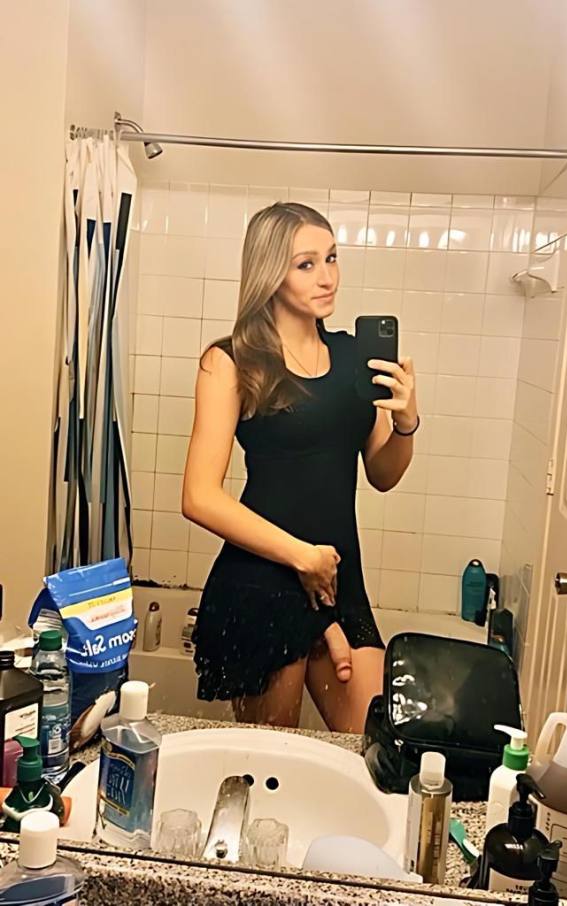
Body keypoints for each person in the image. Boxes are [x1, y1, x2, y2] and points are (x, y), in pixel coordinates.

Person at [182, 201, 419, 733]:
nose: (327, 277)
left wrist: (406, 423)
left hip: (338, 578)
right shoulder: (231, 361)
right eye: (306, 264)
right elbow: (198, 496)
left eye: (331, 258)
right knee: (274, 762)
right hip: (263, 582)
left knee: (373, 750)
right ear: (270, 271)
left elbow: (383, 474)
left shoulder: (356, 357)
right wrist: (301, 557)